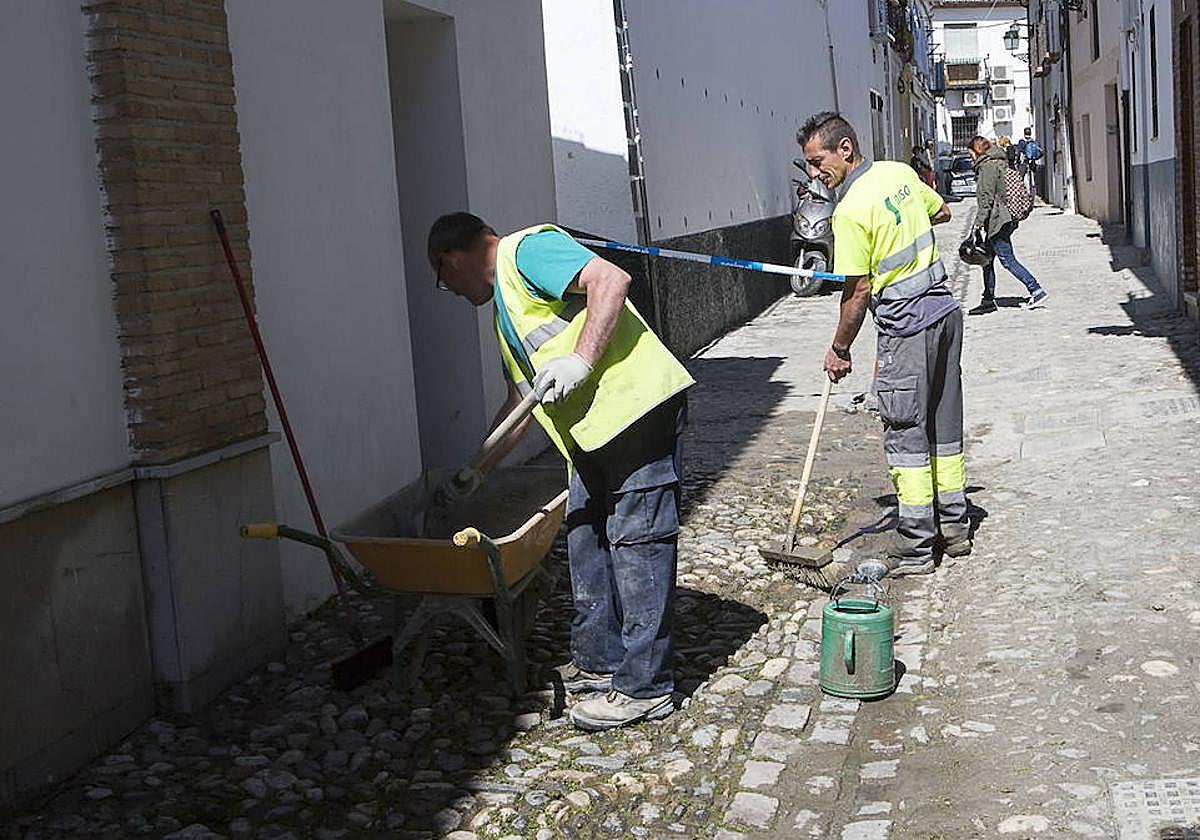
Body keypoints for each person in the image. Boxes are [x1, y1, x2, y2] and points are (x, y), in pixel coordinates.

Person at [426, 213, 693, 730]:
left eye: (444, 282)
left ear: (450, 260)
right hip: (592, 435)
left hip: (636, 412)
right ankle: (600, 661)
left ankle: (646, 687)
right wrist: (475, 470)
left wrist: (581, 360)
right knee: (586, 540)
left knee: (638, 542)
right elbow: (519, 404)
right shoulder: (505, 311)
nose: (453, 293)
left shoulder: (525, 252)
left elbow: (610, 279)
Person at [797, 111, 970, 575]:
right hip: (944, 314)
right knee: (944, 426)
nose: (814, 173)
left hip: (907, 329)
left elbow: (857, 293)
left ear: (845, 149)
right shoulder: (898, 173)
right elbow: (942, 211)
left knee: (907, 435)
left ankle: (916, 546)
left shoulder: (849, 211)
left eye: (817, 161)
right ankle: (955, 529)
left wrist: (839, 350)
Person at [967, 135, 1048, 312]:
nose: (970, 157)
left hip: (998, 220)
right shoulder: (1000, 162)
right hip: (1005, 218)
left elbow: (986, 199)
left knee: (1007, 260)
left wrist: (977, 224)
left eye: (970, 153)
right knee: (986, 259)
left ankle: (1036, 289)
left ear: (977, 150)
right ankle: (988, 300)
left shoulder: (987, 167)